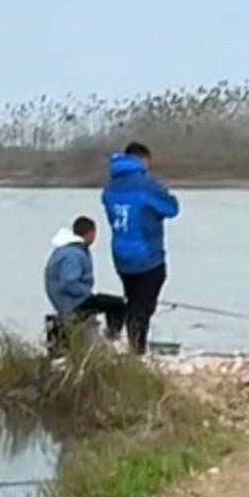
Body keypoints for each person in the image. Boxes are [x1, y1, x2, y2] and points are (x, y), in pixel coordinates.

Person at [101, 141, 179, 354]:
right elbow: (171, 209)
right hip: (147, 255)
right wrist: (166, 193)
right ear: (143, 159)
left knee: (134, 301)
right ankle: (137, 351)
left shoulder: (110, 187)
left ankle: (128, 343)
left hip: (121, 256)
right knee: (142, 307)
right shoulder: (147, 184)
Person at [43, 216, 126, 340]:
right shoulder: (74, 254)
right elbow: (68, 282)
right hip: (72, 301)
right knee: (119, 304)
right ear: (90, 233)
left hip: (64, 299)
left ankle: (108, 337)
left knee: (107, 302)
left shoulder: (67, 249)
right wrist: (89, 293)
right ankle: (112, 338)